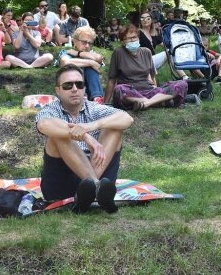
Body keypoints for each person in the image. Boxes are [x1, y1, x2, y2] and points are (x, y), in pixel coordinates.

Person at [35, 64, 134, 212]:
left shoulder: (93, 108)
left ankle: (91, 190)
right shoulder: (51, 109)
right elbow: (43, 125)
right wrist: (85, 137)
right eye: (68, 85)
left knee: (115, 128)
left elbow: (127, 119)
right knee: (58, 135)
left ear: (84, 88)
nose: (75, 89)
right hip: (62, 184)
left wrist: (91, 126)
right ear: (58, 90)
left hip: (98, 169)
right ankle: (96, 187)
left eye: (79, 84)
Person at [105, 25, 189, 111]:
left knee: (182, 84)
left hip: (148, 91)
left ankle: (146, 104)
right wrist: (106, 103)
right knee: (119, 89)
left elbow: (152, 77)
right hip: (131, 93)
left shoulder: (146, 52)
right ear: (123, 41)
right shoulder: (118, 53)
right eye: (129, 38)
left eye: (135, 37)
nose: (133, 40)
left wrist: (156, 91)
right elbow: (112, 80)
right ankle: (159, 102)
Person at [59, 26, 106, 103]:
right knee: (75, 67)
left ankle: (97, 98)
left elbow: (99, 58)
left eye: (90, 43)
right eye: (84, 42)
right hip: (72, 89)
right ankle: (82, 96)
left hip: (90, 92)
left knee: (90, 68)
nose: (87, 46)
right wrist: (91, 63)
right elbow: (65, 62)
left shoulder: (91, 53)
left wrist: (79, 53)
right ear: (75, 41)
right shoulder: (67, 52)